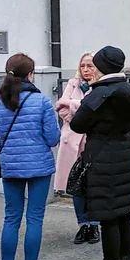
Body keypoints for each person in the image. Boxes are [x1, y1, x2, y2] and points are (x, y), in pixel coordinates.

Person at [70, 46, 130, 260]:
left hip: (103, 157)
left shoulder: (99, 94)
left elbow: (77, 124)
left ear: (101, 67)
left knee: (108, 218)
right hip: (126, 153)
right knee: (124, 214)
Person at [0, 53, 60, 260]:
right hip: (39, 166)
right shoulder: (41, 102)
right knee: (34, 218)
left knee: (11, 218)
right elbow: (53, 138)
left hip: (11, 166)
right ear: (31, 74)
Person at [54, 52, 100, 244]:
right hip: (73, 139)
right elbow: (61, 107)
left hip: (92, 141)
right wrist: (79, 114)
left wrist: (74, 106)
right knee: (76, 185)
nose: (87, 69)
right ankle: (83, 225)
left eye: (90, 65)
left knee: (94, 186)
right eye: (83, 66)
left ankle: (94, 225)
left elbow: (97, 111)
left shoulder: (100, 86)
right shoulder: (73, 84)